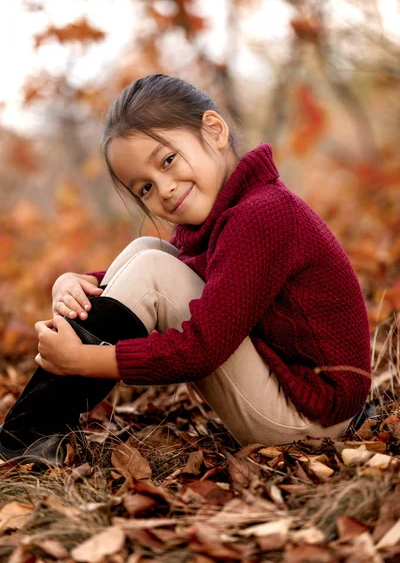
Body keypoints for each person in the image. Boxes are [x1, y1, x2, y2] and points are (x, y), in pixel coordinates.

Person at [0, 74, 374, 467]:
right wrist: (78, 281)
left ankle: (25, 437)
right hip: (296, 395)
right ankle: (32, 430)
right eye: (144, 188)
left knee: (155, 268)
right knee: (148, 249)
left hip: (312, 417)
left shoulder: (262, 215)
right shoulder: (229, 214)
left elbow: (201, 348)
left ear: (213, 131)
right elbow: (187, 262)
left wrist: (85, 360)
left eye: (167, 161)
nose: (163, 189)